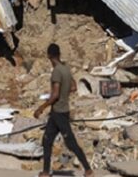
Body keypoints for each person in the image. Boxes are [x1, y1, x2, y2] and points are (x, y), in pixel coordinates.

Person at [34, 44, 93, 177]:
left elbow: (54, 95)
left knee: (71, 142)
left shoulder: (56, 71)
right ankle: (45, 172)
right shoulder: (65, 68)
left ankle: (88, 170)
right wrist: (64, 93)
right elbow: (73, 87)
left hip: (59, 112)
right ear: (59, 54)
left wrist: (41, 108)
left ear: (49, 55)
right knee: (47, 140)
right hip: (59, 111)